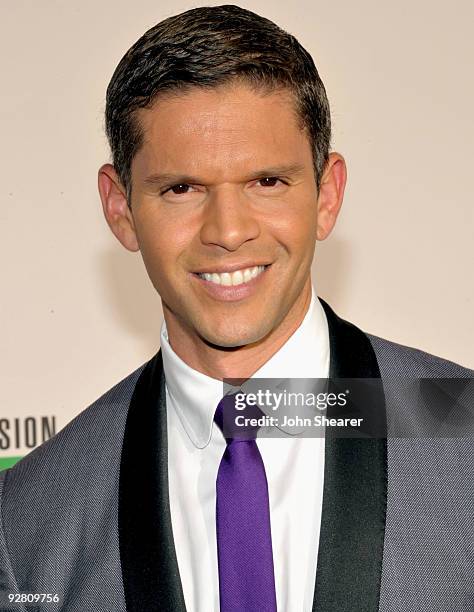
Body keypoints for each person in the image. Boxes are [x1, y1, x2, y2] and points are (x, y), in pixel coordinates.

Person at [0, 5, 472, 612]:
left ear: (327, 196)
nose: (227, 231)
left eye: (266, 182)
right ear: (120, 209)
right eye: (181, 188)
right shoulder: (29, 519)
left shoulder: (463, 431)